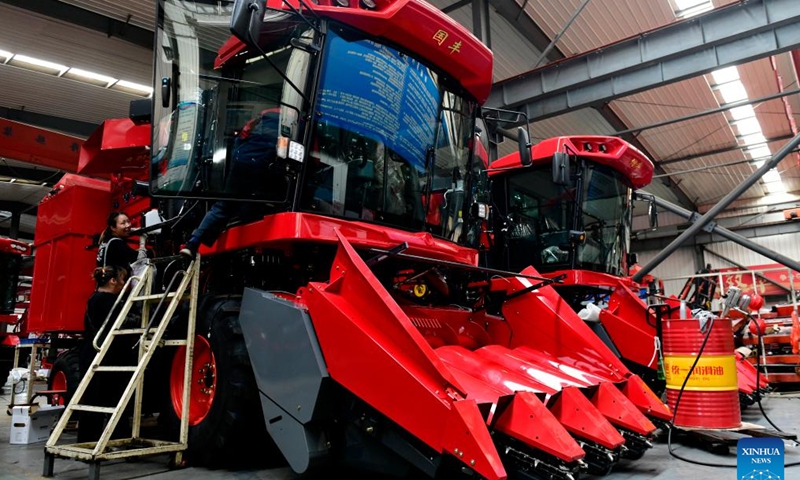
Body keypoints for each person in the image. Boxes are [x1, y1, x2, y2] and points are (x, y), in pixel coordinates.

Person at [181, 108, 281, 258]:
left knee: (223, 206)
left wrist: (238, 154)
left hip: (242, 162)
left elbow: (243, 134)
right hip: (262, 167)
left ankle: (193, 242)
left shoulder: (262, 117)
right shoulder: (293, 122)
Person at [77, 265, 136, 443]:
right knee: (116, 399)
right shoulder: (110, 301)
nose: (124, 284)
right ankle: (118, 438)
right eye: (122, 279)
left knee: (91, 400)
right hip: (108, 355)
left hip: (91, 353)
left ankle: (88, 439)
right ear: (113, 281)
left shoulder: (94, 298)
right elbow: (123, 322)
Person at [96, 212, 139, 277]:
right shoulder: (116, 242)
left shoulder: (106, 240)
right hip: (113, 281)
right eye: (123, 223)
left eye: (128, 221)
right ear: (113, 228)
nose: (128, 225)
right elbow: (136, 256)